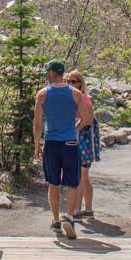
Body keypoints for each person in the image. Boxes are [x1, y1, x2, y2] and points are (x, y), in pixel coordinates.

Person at [33, 59, 89, 238]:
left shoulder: (42, 94)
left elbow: (37, 123)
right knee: (73, 182)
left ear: (51, 73)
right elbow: (86, 118)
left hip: (51, 143)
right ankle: (70, 217)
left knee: (53, 182)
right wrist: (75, 128)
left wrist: (37, 144)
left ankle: (56, 219)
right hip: (71, 143)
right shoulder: (75, 94)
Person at [66, 70, 100, 220]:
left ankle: (81, 209)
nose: (71, 84)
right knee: (81, 176)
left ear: (80, 83)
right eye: (68, 81)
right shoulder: (68, 98)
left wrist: (76, 127)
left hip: (85, 140)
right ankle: (85, 209)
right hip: (74, 140)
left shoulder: (85, 99)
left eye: (74, 81)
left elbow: (89, 119)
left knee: (82, 176)